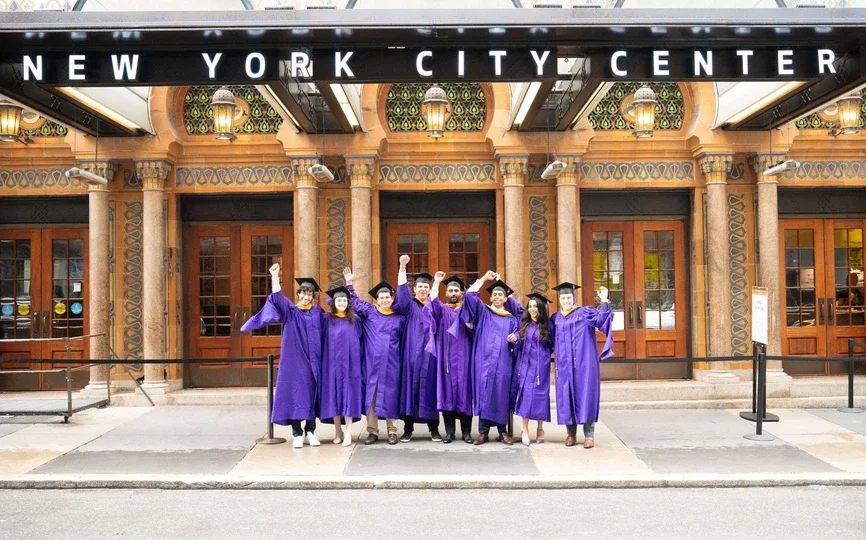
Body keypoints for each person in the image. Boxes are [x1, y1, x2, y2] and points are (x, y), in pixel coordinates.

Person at [240, 265, 322, 449]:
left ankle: (310, 431)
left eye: (310, 294)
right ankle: (297, 433)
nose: (307, 296)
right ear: (299, 294)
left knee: (311, 395)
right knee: (295, 395)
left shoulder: (318, 313)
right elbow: (277, 299)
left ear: (313, 296)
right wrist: (275, 277)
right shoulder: (291, 312)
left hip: (313, 362)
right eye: (304, 293)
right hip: (294, 362)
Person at [453, 270, 519, 446]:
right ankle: (483, 432)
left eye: (500, 295)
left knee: (500, 393)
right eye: (494, 294)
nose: (497, 297)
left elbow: (519, 336)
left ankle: (502, 431)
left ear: (506, 299)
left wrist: (516, 339)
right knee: (484, 393)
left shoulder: (511, 320)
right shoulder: (483, 313)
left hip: (504, 362)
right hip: (483, 361)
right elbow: (470, 295)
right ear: (490, 298)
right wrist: (484, 279)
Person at [342, 267, 405, 446]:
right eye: (381, 297)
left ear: (392, 299)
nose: (385, 300)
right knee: (372, 397)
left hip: (392, 363)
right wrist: (349, 283)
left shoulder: (399, 318)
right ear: (376, 300)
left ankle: (392, 431)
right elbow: (353, 302)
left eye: (387, 297)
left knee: (391, 395)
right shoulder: (370, 312)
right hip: (371, 363)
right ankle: (372, 431)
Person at [550, 281, 613, 449]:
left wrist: (604, 300)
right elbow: (547, 338)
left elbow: (601, 320)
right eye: (563, 298)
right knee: (566, 398)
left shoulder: (585, 313)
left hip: (584, 365)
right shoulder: (555, 318)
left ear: (574, 297)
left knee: (586, 397)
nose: (566, 301)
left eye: (568, 297)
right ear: (559, 299)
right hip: (563, 366)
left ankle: (589, 436)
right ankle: (570, 434)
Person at [393, 255, 441, 442]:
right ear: (415, 289)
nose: (422, 289)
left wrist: (436, 283)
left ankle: (434, 429)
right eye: (420, 287)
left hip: (430, 357)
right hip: (411, 355)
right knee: (410, 390)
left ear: (429, 290)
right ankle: (408, 428)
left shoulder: (433, 306)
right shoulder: (409, 305)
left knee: (429, 390)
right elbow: (402, 293)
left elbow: (436, 303)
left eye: (425, 287)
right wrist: (402, 267)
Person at [425, 272, 473, 444]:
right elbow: (432, 305)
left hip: (465, 358)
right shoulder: (443, 309)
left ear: (461, 293)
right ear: (446, 293)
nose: (453, 293)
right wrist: (436, 283)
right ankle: (450, 433)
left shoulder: (467, 309)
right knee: (447, 393)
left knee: (465, 394)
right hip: (446, 360)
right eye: (450, 290)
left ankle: (467, 433)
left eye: (456, 291)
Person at [319, 285, 364, 447]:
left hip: (350, 366)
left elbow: (361, 342)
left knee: (348, 397)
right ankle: (337, 431)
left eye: (345, 300)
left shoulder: (355, 320)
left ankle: (348, 432)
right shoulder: (326, 319)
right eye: (339, 300)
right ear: (333, 302)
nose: (342, 302)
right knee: (334, 397)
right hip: (331, 365)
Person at [506, 292, 554, 446]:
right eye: (530, 306)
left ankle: (540, 429)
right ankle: (524, 430)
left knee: (541, 395)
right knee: (526, 396)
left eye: (536, 306)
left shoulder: (548, 325)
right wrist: (515, 338)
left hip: (541, 367)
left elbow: (553, 345)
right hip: (526, 365)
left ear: (541, 308)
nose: (533, 309)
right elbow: (519, 341)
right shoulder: (525, 324)